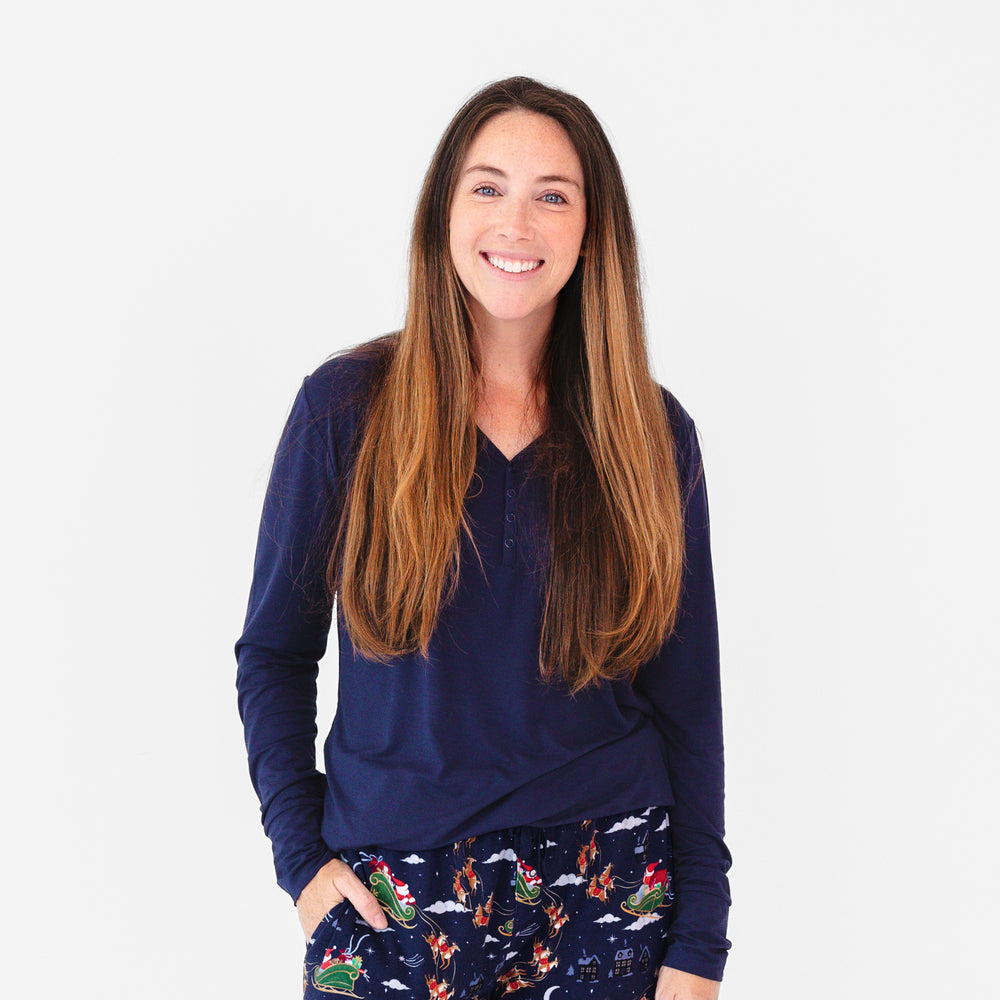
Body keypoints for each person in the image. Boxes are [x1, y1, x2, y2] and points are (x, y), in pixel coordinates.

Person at [235, 76, 732, 1000]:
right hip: (392, 899)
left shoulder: (652, 435)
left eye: (553, 195)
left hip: (610, 889)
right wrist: (302, 868)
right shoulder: (346, 409)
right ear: (444, 214)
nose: (518, 222)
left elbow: (689, 703)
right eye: (488, 187)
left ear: (593, 231)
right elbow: (272, 653)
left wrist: (701, 943)